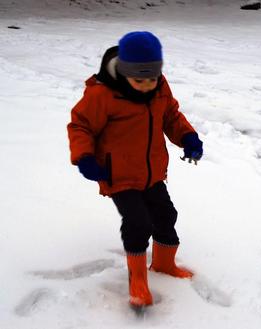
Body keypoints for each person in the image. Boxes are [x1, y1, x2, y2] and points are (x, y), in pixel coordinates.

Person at [67, 31, 203, 308]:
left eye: (151, 78)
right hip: (117, 175)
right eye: (138, 80)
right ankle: (138, 279)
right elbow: (80, 125)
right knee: (138, 222)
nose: (146, 85)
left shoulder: (159, 87)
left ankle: (164, 265)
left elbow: (171, 116)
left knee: (166, 214)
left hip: (151, 172)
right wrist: (84, 157)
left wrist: (188, 137)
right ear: (125, 72)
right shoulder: (103, 94)